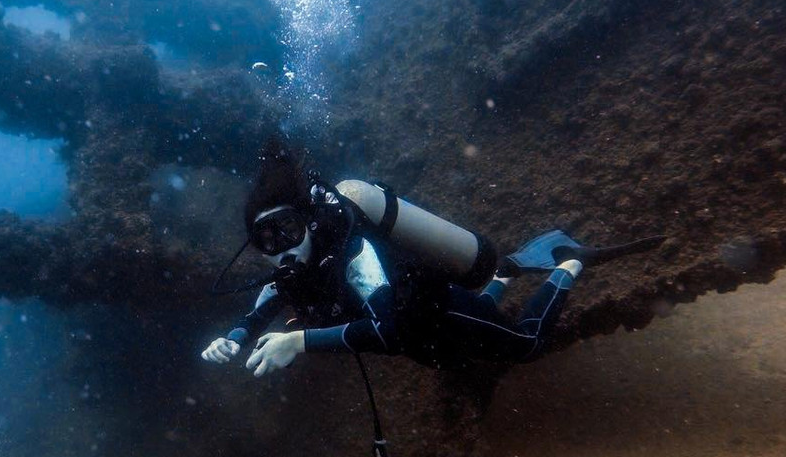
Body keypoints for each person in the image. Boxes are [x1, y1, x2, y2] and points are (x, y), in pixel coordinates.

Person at [203, 139, 664, 405]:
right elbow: (271, 296)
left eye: (287, 229)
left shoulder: (354, 252)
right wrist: (236, 335)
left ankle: (568, 261)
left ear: (308, 222)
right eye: (266, 240)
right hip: (431, 339)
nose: (281, 248)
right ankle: (506, 271)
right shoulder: (296, 269)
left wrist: (298, 341)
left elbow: (389, 332)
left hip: (437, 314)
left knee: (526, 345)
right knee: (464, 348)